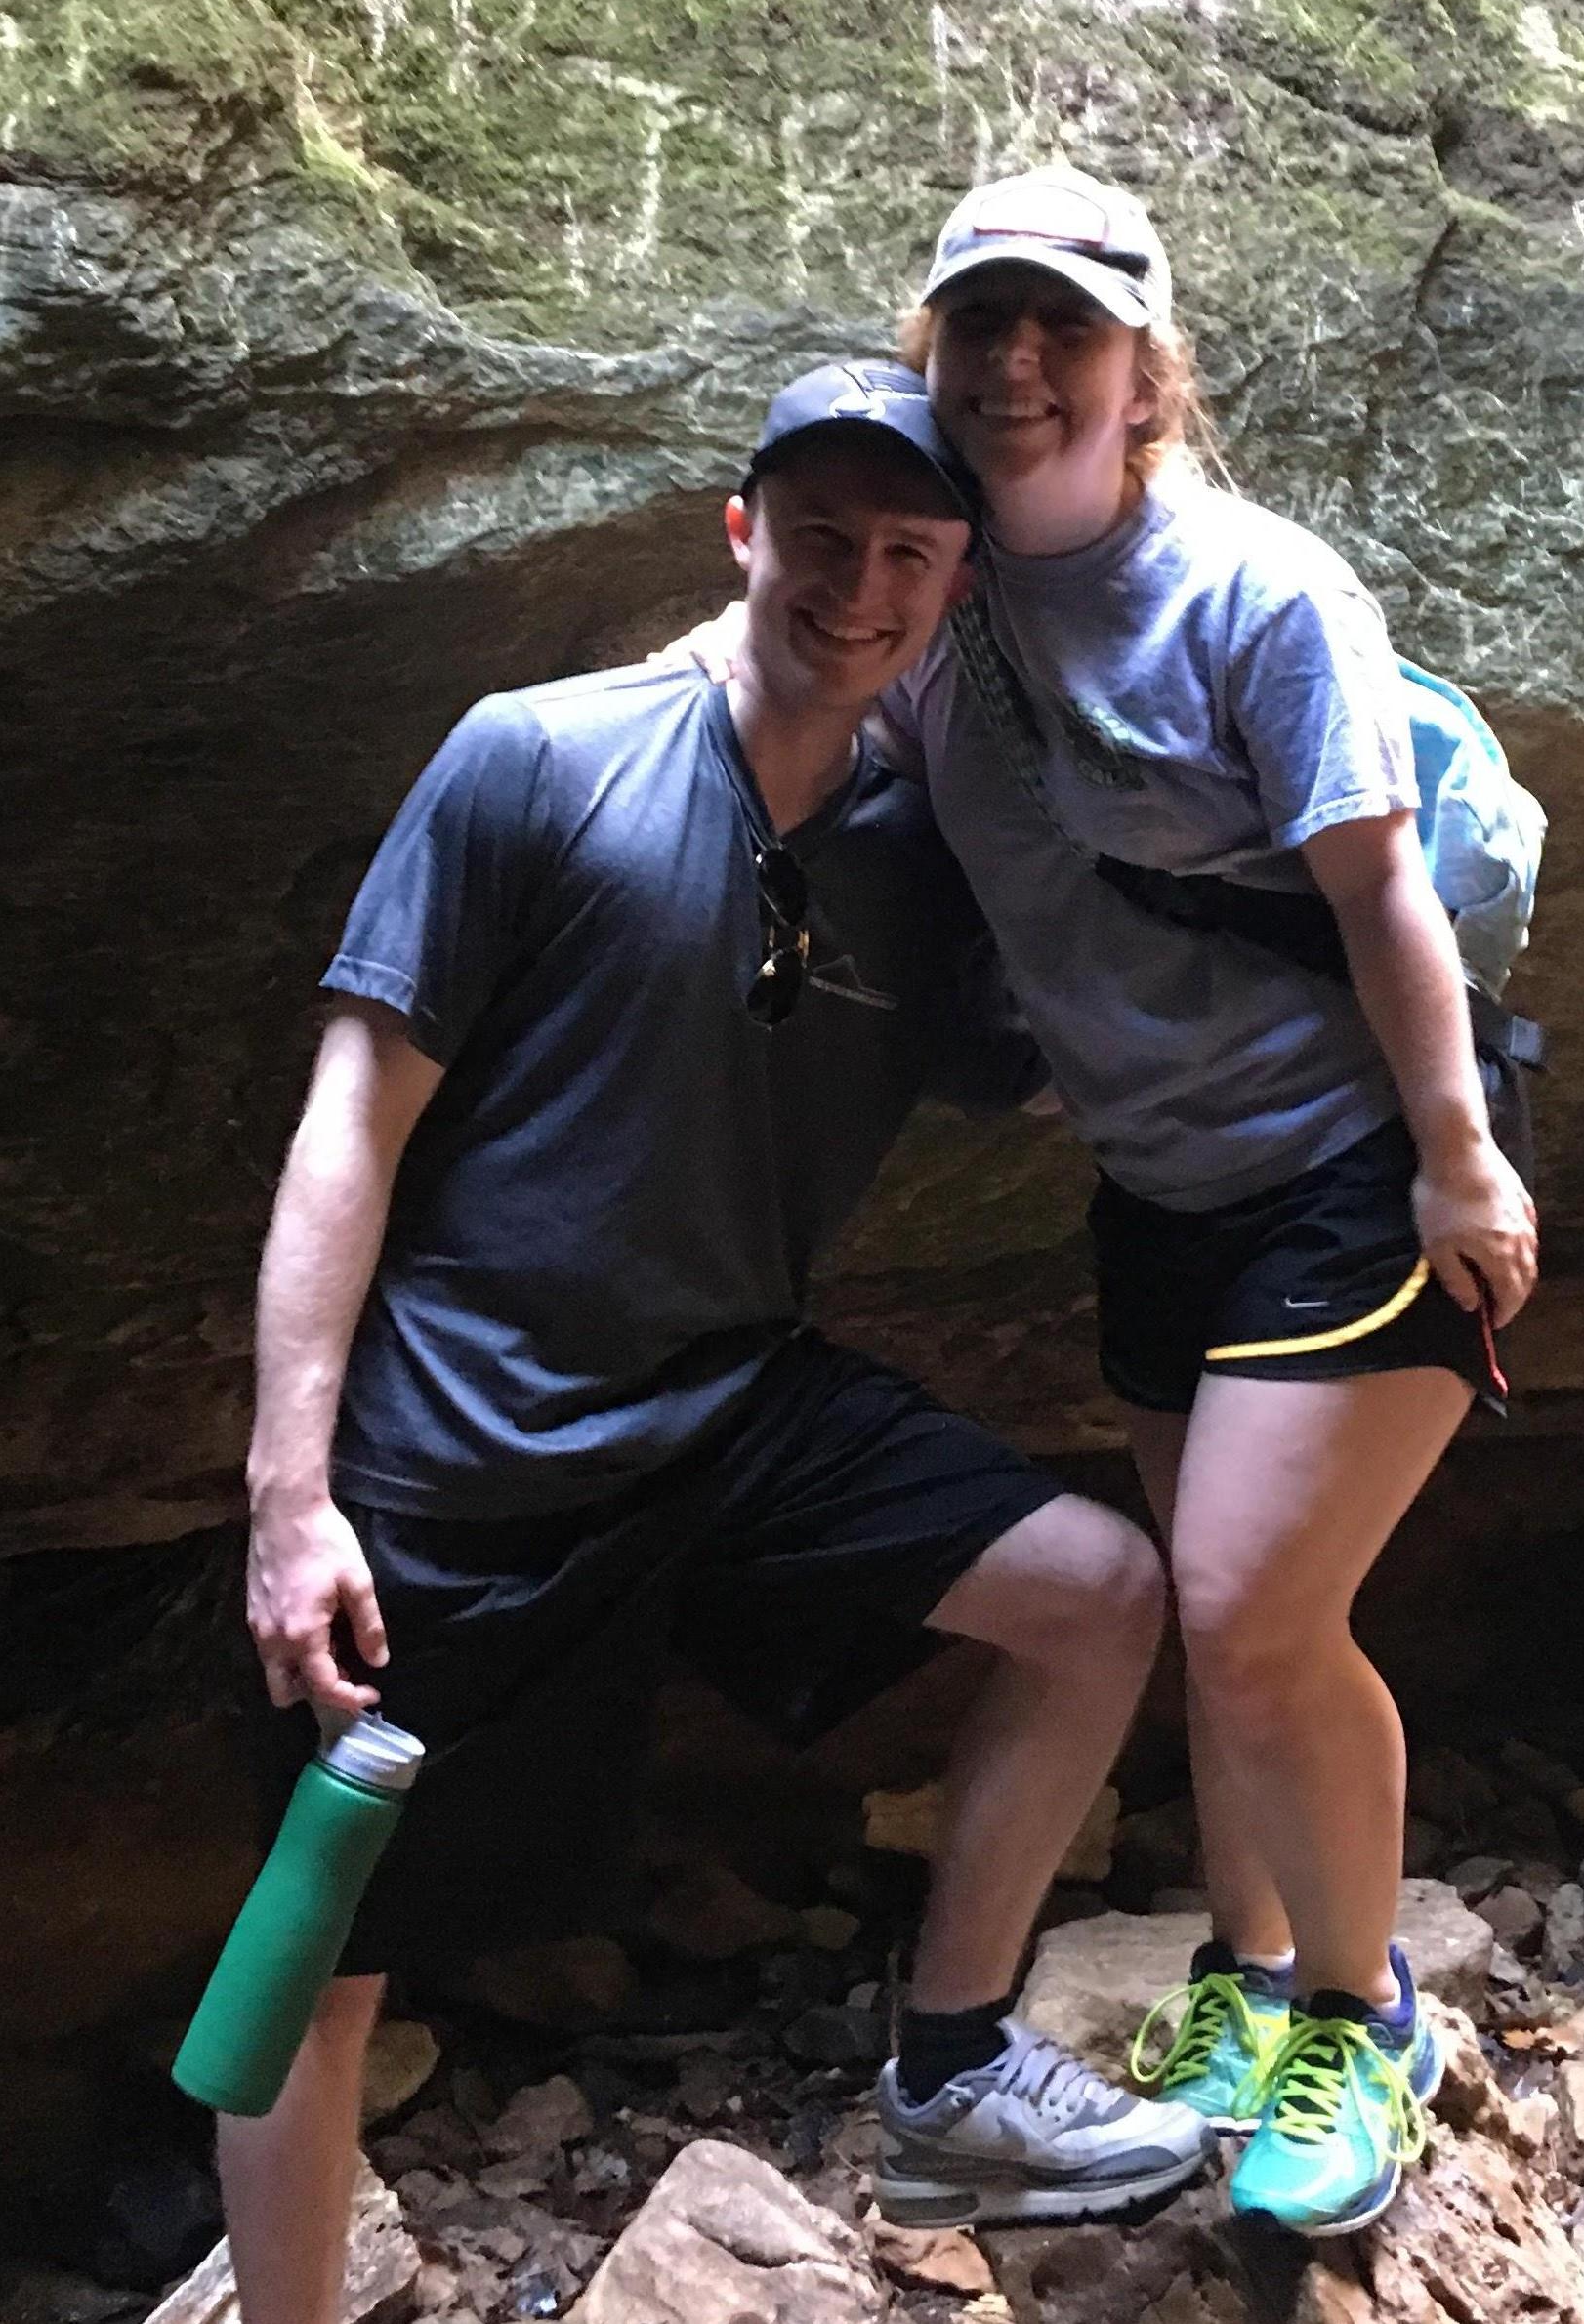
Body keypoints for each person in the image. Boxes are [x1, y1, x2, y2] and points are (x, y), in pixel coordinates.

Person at [225, 361, 1211, 2324]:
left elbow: (1092, 1045)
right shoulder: (539, 755)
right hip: (468, 1446)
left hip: (732, 1402)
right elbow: (353, 1113)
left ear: (952, 591)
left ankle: (949, 2075)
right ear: (739, 527)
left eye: (908, 555)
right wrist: (288, 1491)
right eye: (821, 535)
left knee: (1100, 1590)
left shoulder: (920, 850)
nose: (857, 587)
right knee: (313, 1961)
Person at [881, 169, 1542, 2236]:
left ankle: (1364, 2012)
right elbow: (758, 687)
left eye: (1059, 329)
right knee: (1216, 1618)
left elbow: (1376, 890)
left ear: (1139, 372)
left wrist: (1455, 1150)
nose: (1012, 366)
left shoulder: (1260, 592)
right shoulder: (937, 602)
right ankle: (1251, 1978)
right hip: (1157, 1185)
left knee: (1250, 1610)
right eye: (977, 325)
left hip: (1354, 1175)